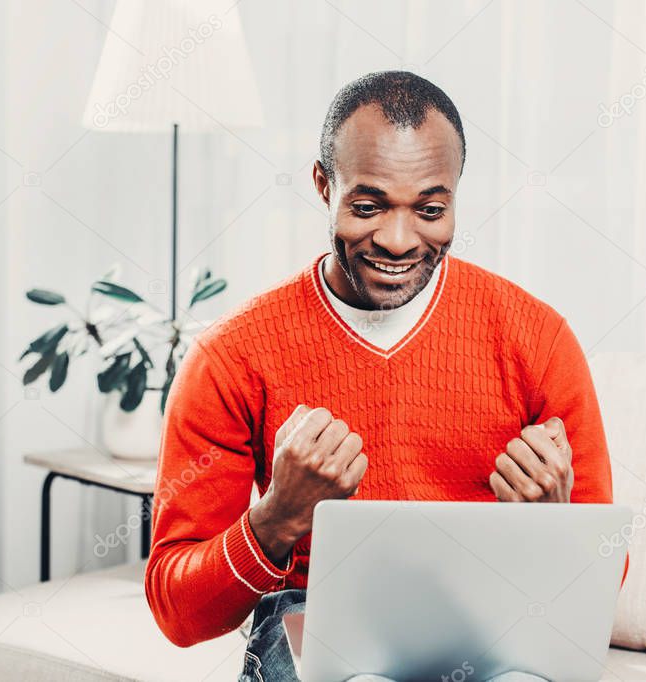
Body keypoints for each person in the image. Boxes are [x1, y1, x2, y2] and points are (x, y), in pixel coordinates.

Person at [145, 71, 619, 682]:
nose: (398, 241)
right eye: (368, 207)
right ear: (324, 185)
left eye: (429, 209)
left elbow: (603, 581)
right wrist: (280, 515)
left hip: (492, 626)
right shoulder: (230, 356)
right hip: (314, 618)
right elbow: (177, 612)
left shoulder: (538, 338)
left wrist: (555, 531)